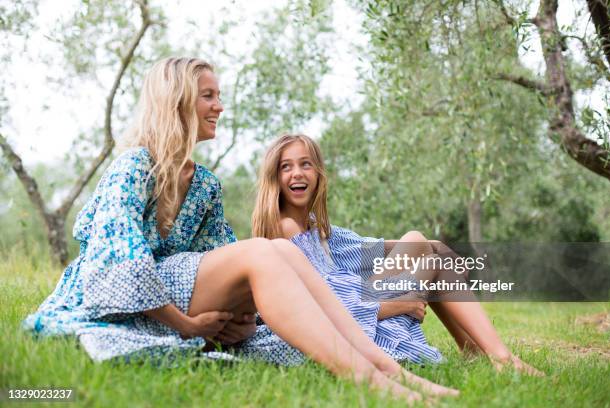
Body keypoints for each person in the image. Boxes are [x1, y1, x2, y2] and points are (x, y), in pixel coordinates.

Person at [23, 57, 457, 403]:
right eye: (207, 96)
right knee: (263, 251)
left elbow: (233, 270)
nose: (219, 106)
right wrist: (188, 326)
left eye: (218, 95)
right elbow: (119, 264)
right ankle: (372, 379)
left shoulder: (206, 184)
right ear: (177, 102)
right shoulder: (135, 166)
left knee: (280, 254)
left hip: (178, 287)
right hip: (120, 297)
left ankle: (387, 369)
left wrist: (242, 324)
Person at [251, 133, 543, 376]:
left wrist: (436, 246)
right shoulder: (286, 227)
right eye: (286, 167)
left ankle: (479, 353)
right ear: (275, 177)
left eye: (306, 164)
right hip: (351, 323)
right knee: (427, 254)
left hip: (362, 309)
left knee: (425, 247)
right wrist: (395, 305)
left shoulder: (316, 228)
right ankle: (500, 359)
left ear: (318, 174)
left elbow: (371, 249)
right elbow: (322, 300)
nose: (297, 173)